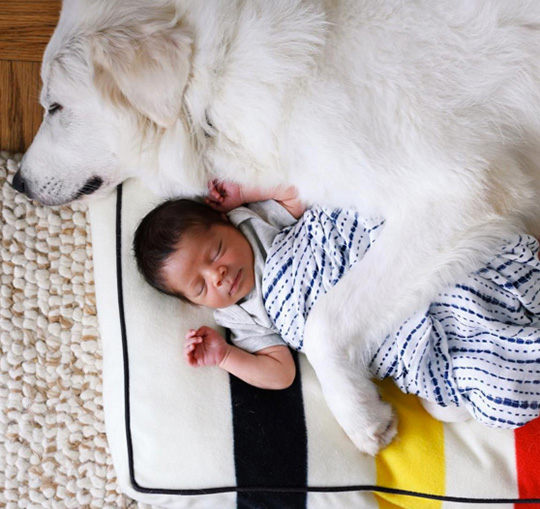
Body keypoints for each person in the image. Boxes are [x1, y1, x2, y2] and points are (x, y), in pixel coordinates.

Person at [133, 181, 540, 429]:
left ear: (226, 222)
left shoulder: (257, 221)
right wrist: (225, 356)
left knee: (469, 267)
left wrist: (248, 192)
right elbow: (279, 372)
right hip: (390, 336)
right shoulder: (240, 315)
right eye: (201, 288)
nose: (217, 275)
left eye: (216, 252)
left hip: (377, 259)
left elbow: (297, 194)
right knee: (491, 383)